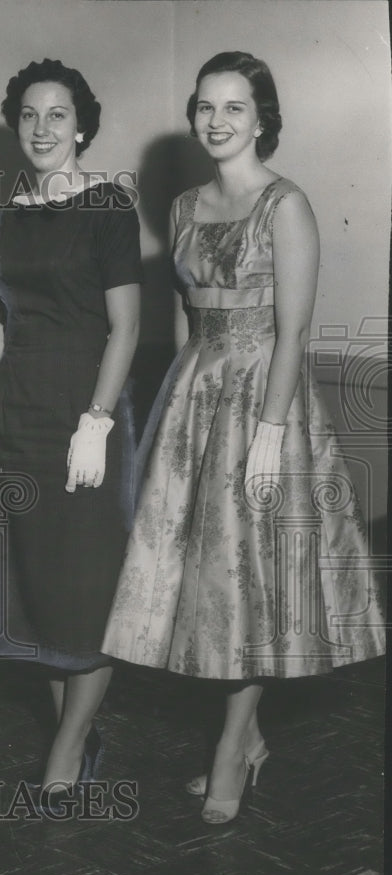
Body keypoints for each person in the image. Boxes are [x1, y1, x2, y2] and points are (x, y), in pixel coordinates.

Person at [101, 51, 386, 824]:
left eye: (234, 107)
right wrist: (169, 408)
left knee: (255, 581)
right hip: (198, 395)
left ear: (262, 118)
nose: (217, 120)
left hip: (270, 399)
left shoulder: (286, 204)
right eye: (205, 106)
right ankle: (249, 732)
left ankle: (230, 747)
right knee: (207, 581)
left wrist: (268, 434)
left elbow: (293, 332)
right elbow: (182, 322)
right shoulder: (185, 205)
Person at [0, 59, 141, 809]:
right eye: (30, 116)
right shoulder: (7, 213)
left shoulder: (108, 207)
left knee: (88, 592)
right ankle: (72, 726)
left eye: (57, 116)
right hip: (17, 416)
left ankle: (69, 745)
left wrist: (98, 421)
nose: (42, 129)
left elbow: (128, 326)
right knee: (38, 590)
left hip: (81, 414)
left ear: (82, 126)